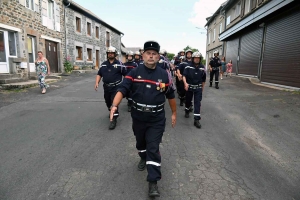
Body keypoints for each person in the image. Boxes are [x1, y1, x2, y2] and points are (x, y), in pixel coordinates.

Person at [110, 41, 177, 197]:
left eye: (154, 53)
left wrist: (174, 113)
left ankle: (153, 182)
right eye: (148, 53)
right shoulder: (134, 72)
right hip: (139, 117)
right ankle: (142, 157)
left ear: (159, 56)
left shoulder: (164, 74)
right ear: (143, 55)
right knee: (141, 144)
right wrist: (114, 105)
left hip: (157, 118)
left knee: (153, 148)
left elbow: (171, 95)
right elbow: (123, 88)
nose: (151, 56)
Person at [94, 46, 127, 130]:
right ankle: (111, 110)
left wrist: (126, 85)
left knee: (114, 102)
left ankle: (114, 120)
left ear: (115, 54)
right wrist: (97, 82)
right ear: (107, 54)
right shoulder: (103, 64)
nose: (110, 54)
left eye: (112, 53)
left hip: (117, 87)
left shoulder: (120, 64)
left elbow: (126, 75)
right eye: (109, 53)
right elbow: (99, 74)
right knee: (108, 101)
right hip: (107, 87)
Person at [182, 52, 206, 128]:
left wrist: (202, 88)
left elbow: (203, 79)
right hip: (189, 87)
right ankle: (187, 110)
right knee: (188, 101)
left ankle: (196, 120)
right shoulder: (188, 66)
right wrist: (185, 84)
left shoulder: (202, 67)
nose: (197, 59)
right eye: (195, 58)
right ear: (193, 59)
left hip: (198, 87)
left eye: (198, 58)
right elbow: (184, 76)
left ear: (200, 59)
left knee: (197, 103)